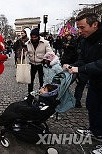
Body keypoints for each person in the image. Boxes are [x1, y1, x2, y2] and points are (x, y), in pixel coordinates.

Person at [63, 12, 102, 154]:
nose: (79, 31)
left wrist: (80, 69)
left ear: (95, 25)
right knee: (92, 106)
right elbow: (82, 59)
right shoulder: (85, 40)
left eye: (82, 27)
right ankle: (95, 131)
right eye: (78, 28)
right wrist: (70, 66)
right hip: (95, 82)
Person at [25, 28, 53, 99]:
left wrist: (46, 59)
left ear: (38, 36)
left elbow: (50, 53)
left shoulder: (45, 43)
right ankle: (30, 94)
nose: (33, 38)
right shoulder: (27, 43)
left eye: (35, 37)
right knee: (30, 80)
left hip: (41, 64)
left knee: (42, 80)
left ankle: (42, 94)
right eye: (32, 37)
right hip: (32, 64)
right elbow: (25, 52)